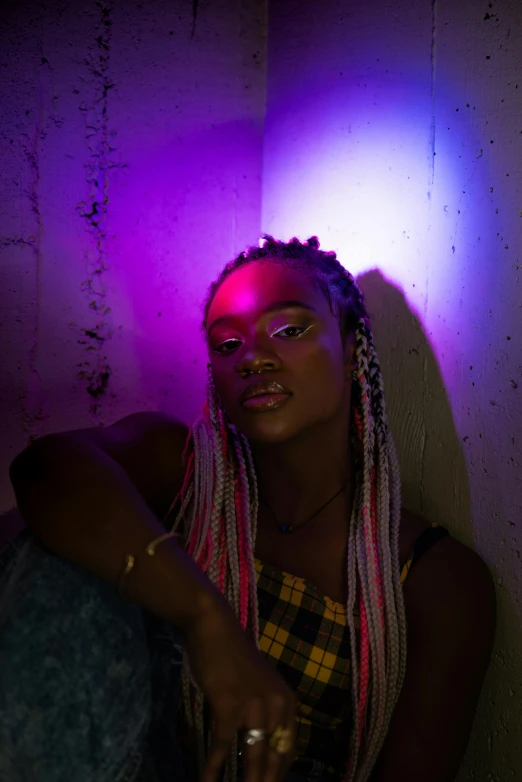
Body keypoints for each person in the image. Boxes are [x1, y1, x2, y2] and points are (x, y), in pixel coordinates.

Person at [1, 235, 495, 782]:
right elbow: (46, 467)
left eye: (288, 331)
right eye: (228, 344)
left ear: (352, 348)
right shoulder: (181, 470)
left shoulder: (433, 578)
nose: (255, 357)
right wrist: (207, 622)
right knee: (58, 550)